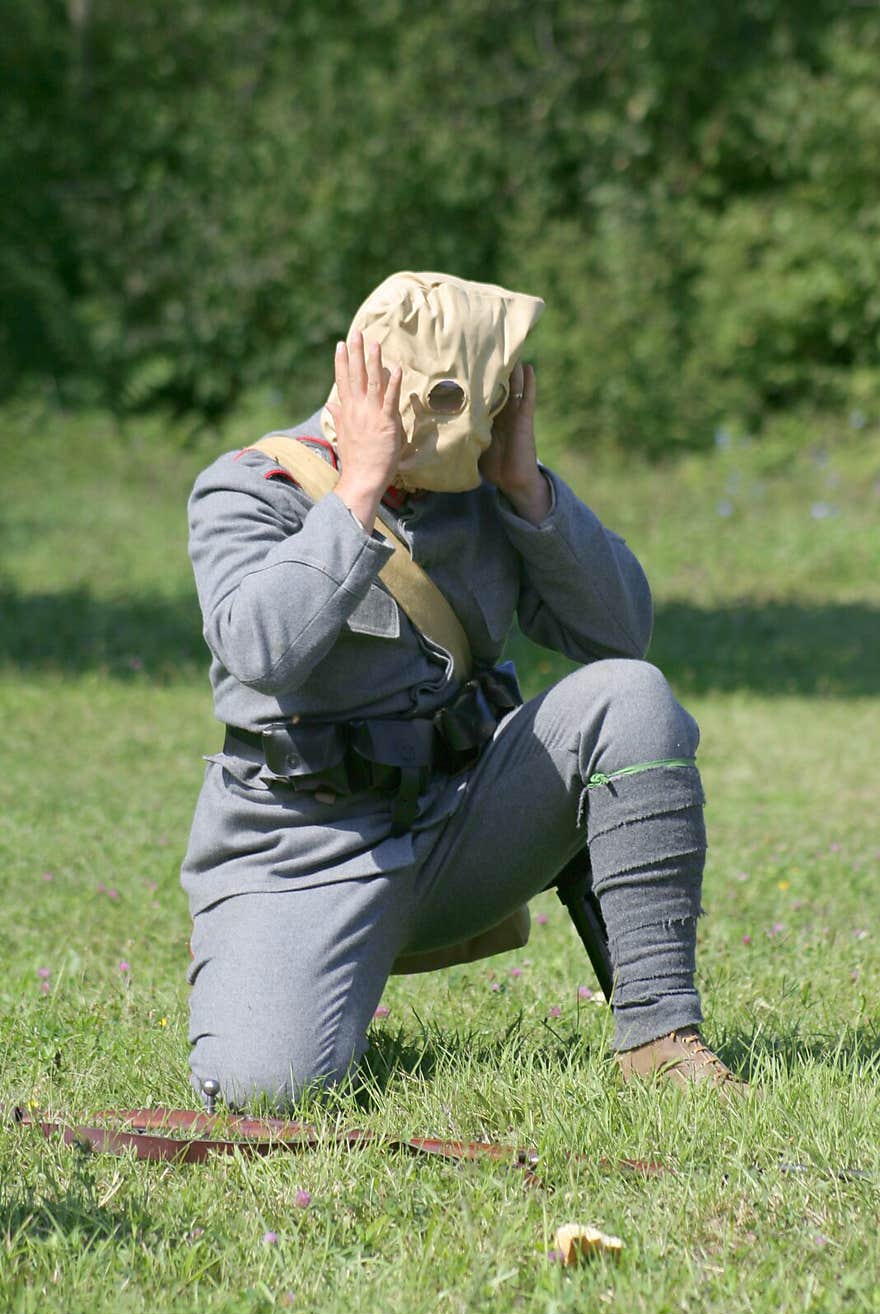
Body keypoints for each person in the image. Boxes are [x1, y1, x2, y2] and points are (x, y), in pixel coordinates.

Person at [181, 269, 746, 1113]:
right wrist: (359, 490)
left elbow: (618, 636)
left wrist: (528, 488)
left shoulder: (484, 489)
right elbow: (259, 649)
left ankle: (659, 1035)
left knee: (630, 696)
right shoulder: (250, 490)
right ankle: (313, 980)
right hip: (302, 848)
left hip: (458, 826)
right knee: (263, 1089)